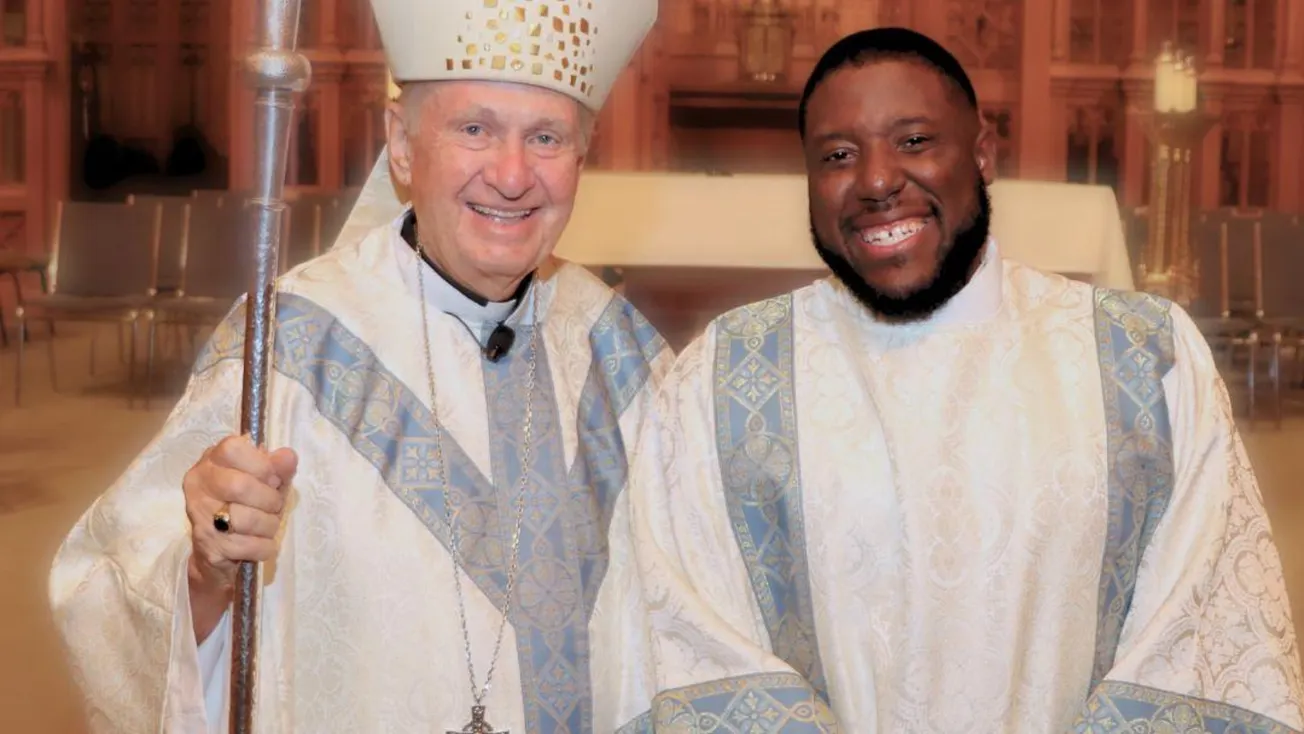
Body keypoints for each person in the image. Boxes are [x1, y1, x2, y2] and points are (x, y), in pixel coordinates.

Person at [627, 26, 1304, 732]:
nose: (877, 180)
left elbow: (1200, 630)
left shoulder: (1144, 360)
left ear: (982, 154)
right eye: (838, 155)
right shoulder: (723, 378)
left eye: (915, 140)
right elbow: (690, 639)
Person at [48, 1, 672, 731]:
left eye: (546, 137)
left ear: (580, 160)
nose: (512, 175)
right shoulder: (289, 346)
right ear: (401, 145)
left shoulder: (622, 357)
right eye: (475, 129)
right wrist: (206, 567)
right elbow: (108, 598)